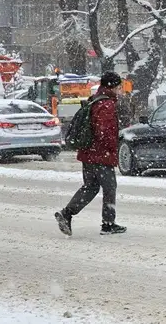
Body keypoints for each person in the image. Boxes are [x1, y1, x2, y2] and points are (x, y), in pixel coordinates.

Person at [55, 71, 126, 236]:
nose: (120, 90)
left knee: (91, 186)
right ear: (112, 86)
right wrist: (111, 148)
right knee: (109, 188)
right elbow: (104, 131)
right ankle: (108, 224)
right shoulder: (107, 104)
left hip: (88, 152)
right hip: (101, 154)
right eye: (118, 86)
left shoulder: (94, 99)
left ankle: (67, 213)